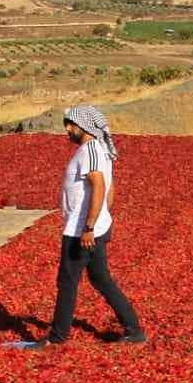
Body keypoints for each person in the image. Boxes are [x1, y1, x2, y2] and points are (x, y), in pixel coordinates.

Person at [46, 104, 147, 346]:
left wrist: (90, 226)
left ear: (83, 126)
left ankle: (57, 338)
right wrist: (102, 218)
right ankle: (134, 331)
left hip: (82, 231)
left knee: (67, 281)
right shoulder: (98, 150)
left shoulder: (91, 150)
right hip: (90, 228)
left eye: (70, 125)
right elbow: (109, 189)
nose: (67, 130)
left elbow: (100, 185)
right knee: (101, 278)